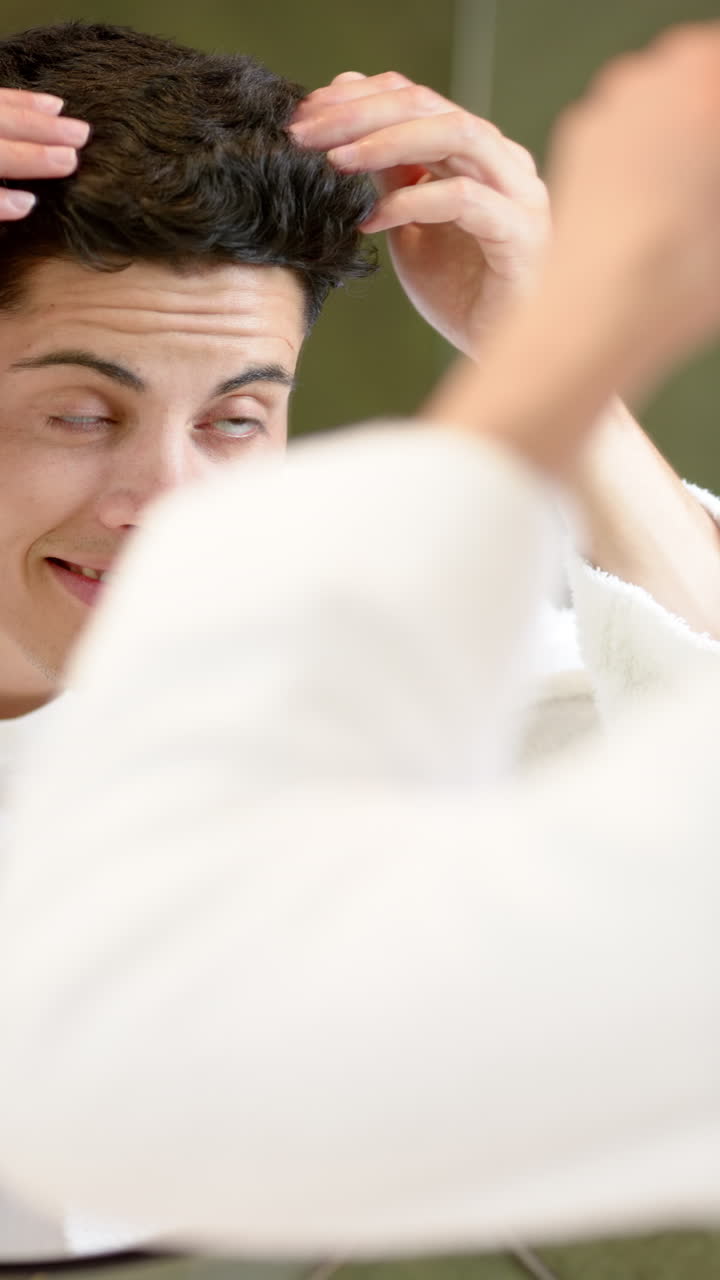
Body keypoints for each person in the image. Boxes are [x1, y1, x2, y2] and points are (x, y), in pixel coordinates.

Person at [1, 16, 720, 1280]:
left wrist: (560, 352)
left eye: (234, 419)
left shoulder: (368, 710)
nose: (159, 501)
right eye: (78, 411)